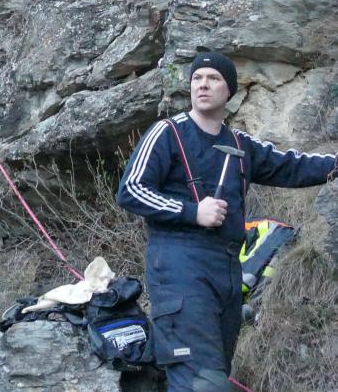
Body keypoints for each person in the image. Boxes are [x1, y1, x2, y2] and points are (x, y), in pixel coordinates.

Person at [116, 52, 336, 391]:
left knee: (214, 373)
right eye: (197, 78)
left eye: (213, 78)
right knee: (203, 383)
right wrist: (192, 211)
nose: (203, 84)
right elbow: (131, 190)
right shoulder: (168, 133)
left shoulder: (240, 144)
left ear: (229, 90)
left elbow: (293, 166)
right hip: (179, 268)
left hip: (228, 271)